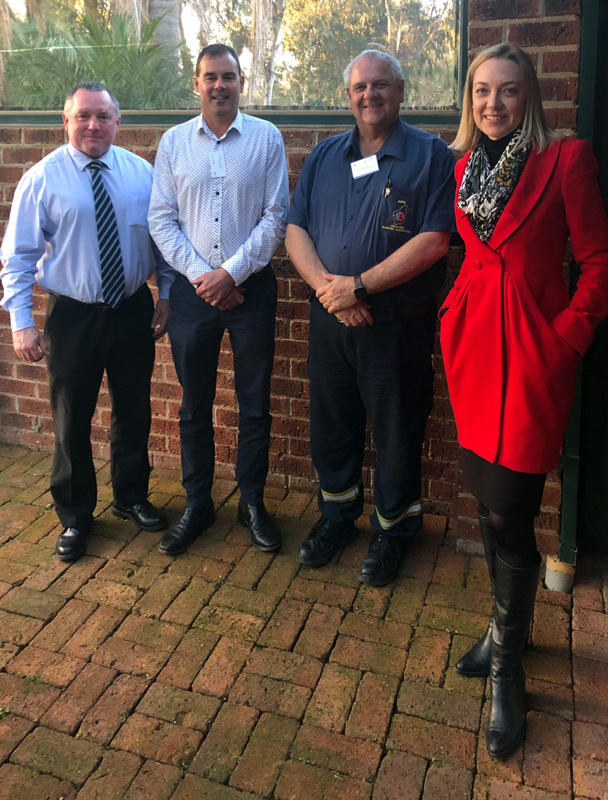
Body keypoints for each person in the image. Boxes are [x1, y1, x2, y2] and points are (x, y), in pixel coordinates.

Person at [440, 43, 608, 759]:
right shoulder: (462, 167)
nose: (493, 105)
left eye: (508, 92)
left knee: (512, 507)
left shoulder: (565, 161)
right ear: (469, 100)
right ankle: (503, 628)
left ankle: (509, 665)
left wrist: (564, 339)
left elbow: (598, 262)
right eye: (482, 91)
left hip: (532, 356)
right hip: (475, 350)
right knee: (487, 504)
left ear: (529, 97)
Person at [285, 50, 455, 586]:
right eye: (359, 87)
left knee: (397, 431)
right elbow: (296, 231)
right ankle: (336, 517)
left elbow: (434, 241)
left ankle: (394, 531)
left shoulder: (430, 156)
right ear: (349, 95)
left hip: (396, 327)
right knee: (331, 426)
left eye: (380, 85)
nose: (369, 95)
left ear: (401, 91)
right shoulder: (325, 155)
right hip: (331, 323)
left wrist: (359, 286)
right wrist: (331, 292)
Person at [0, 82, 173, 562]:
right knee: (72, 418)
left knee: (134, 409)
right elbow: (16, 258)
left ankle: (131, 496)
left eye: (102, 116)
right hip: (72, 316)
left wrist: (167, 296)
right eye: (83, 117)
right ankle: (75, 516)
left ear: (119, 123)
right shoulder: (42, 179)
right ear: (66, 121)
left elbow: (161, 242)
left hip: (133, 309)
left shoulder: (142, 174)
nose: (92, 125)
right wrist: (22, 321)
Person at [148, 44, 289, 556]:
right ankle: (197, 502)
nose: (219, 85)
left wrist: (229, 274)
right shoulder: (174, 142)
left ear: (241, 82)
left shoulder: (266, 138)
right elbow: (160, 217)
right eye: (210, 77)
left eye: (228, 76)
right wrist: (202, 278)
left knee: (254, 404)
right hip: (191, 296)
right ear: (197, 83)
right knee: (193, 406)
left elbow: (276, 216)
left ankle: (252, 502)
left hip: (250, 291)